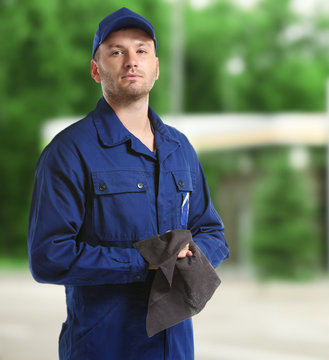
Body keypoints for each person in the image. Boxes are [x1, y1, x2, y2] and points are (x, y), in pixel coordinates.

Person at [27, 7, 229, 360]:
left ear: (156, 66)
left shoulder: (180, 148)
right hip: (104, 346)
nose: (131, 61)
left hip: (175, 346)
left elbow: (212, 231)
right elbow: (48, 257)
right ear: (96, 69)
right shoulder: (69, 152)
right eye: (116, 51)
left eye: (141, 50)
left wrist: (188, 259)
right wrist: (145, 261)